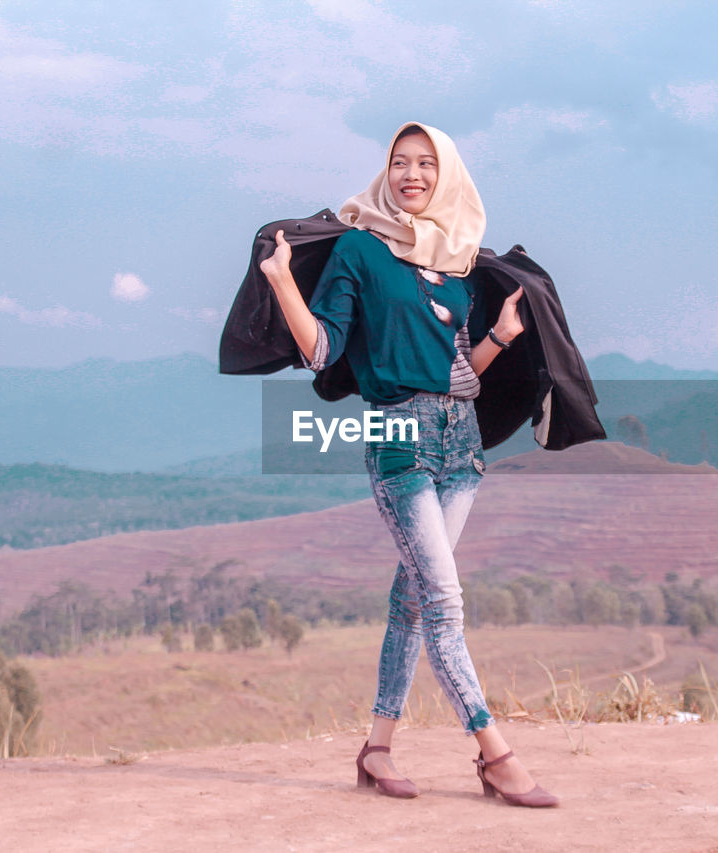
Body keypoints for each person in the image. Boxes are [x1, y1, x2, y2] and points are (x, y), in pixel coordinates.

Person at [258, 122, 559, 808]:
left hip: (461, 444)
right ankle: (496, 755)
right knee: (445, 605)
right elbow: (322, 349)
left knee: (414, 602)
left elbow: (457, 372)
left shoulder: (455, 264)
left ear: (446, 175)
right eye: (400, 163)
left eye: (426, 164)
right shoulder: (362, 251)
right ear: (385, 173)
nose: (412, 174)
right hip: (400, 443)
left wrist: (499, 337)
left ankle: (377, 749)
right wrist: (282, 281)